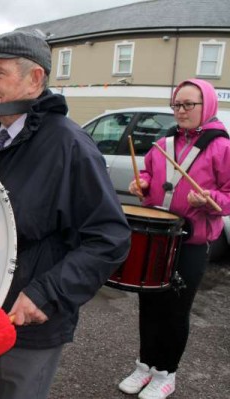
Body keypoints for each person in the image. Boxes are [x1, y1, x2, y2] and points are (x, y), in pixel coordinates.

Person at [0, 30, 131, 399]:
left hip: (29, 320)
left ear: (35, 79)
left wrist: (46, 294)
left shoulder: (70, 145)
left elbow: (109, 238)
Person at [121, 79, 230, 399]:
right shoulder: (163, 143)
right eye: (176, 105)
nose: (180, 111)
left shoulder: (222, 146)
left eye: (188, 105)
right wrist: (141, 183)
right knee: (149, 305)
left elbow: (228, 195)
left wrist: (209, 198)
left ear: (206, 105)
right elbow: (151, 175)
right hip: (158, 238)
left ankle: (166, 373)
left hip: (192, 242)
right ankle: (145, 366)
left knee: (175, 310)